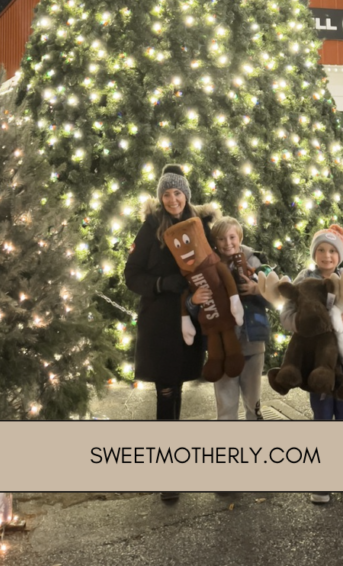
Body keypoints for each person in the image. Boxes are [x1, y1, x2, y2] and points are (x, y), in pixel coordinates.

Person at [124, 163, 217, 504]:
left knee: (178, 389)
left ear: (186, 195)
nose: (172, 199)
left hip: (193, 319)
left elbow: (217, 263)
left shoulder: (202, 225)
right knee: (166, 393)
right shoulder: (150, 227)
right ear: (160, 197)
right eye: (167, 194)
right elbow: (131, 275)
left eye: (178, 193)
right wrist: (162, 283)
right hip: (161, 325)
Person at [280, 222, 343, 505]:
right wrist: (304, 324)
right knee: (322, 412)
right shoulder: (304, 279)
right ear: (314, 254)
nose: (327, 256)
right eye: (321, 250)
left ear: (340, 255)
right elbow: (286, 313)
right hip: (316, 363)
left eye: (332, 251)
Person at [192, 216, 271, 420]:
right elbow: (193, 306)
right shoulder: (206, 266)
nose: (228, 243)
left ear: (240, 237)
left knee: (253, 403)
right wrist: (194, 300)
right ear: (214, 242)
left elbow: (275, 297)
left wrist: (257, 289)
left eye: (232, 237)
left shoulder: (255, 262)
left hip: (252, 341)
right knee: (226, 406)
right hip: (223, 348)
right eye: (221, 239)